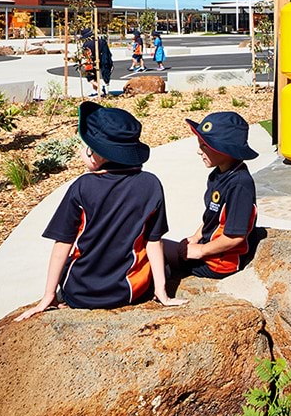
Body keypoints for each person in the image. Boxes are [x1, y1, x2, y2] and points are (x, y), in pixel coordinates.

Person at [16, 102, 185, 321]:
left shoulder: (82, 187)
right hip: (130, 292)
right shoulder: (151, 184)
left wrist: (48, 296)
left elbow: (62, 245)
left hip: (80, 294)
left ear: (97, 155)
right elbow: (154, 241)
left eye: (87, 147)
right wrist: (161, 290)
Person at [163, 111, 259, 280]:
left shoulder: (239, 184)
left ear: (226, 149)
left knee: (156, 249)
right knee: (159, 249)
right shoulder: (218, 175)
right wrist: (196, 237)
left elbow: (234, 236)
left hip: (220, 263)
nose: (199, 152)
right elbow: (212, 217)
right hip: (209, 251)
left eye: (204, 146)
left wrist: (201, 250)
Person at [79, 29, 112, 97]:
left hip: (91, 62)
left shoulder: (86, 44)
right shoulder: (101, 41)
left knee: (89, 76)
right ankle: (95, 90)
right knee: (95, 75)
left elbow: (86, 56)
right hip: (102, 60)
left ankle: (100, 87)